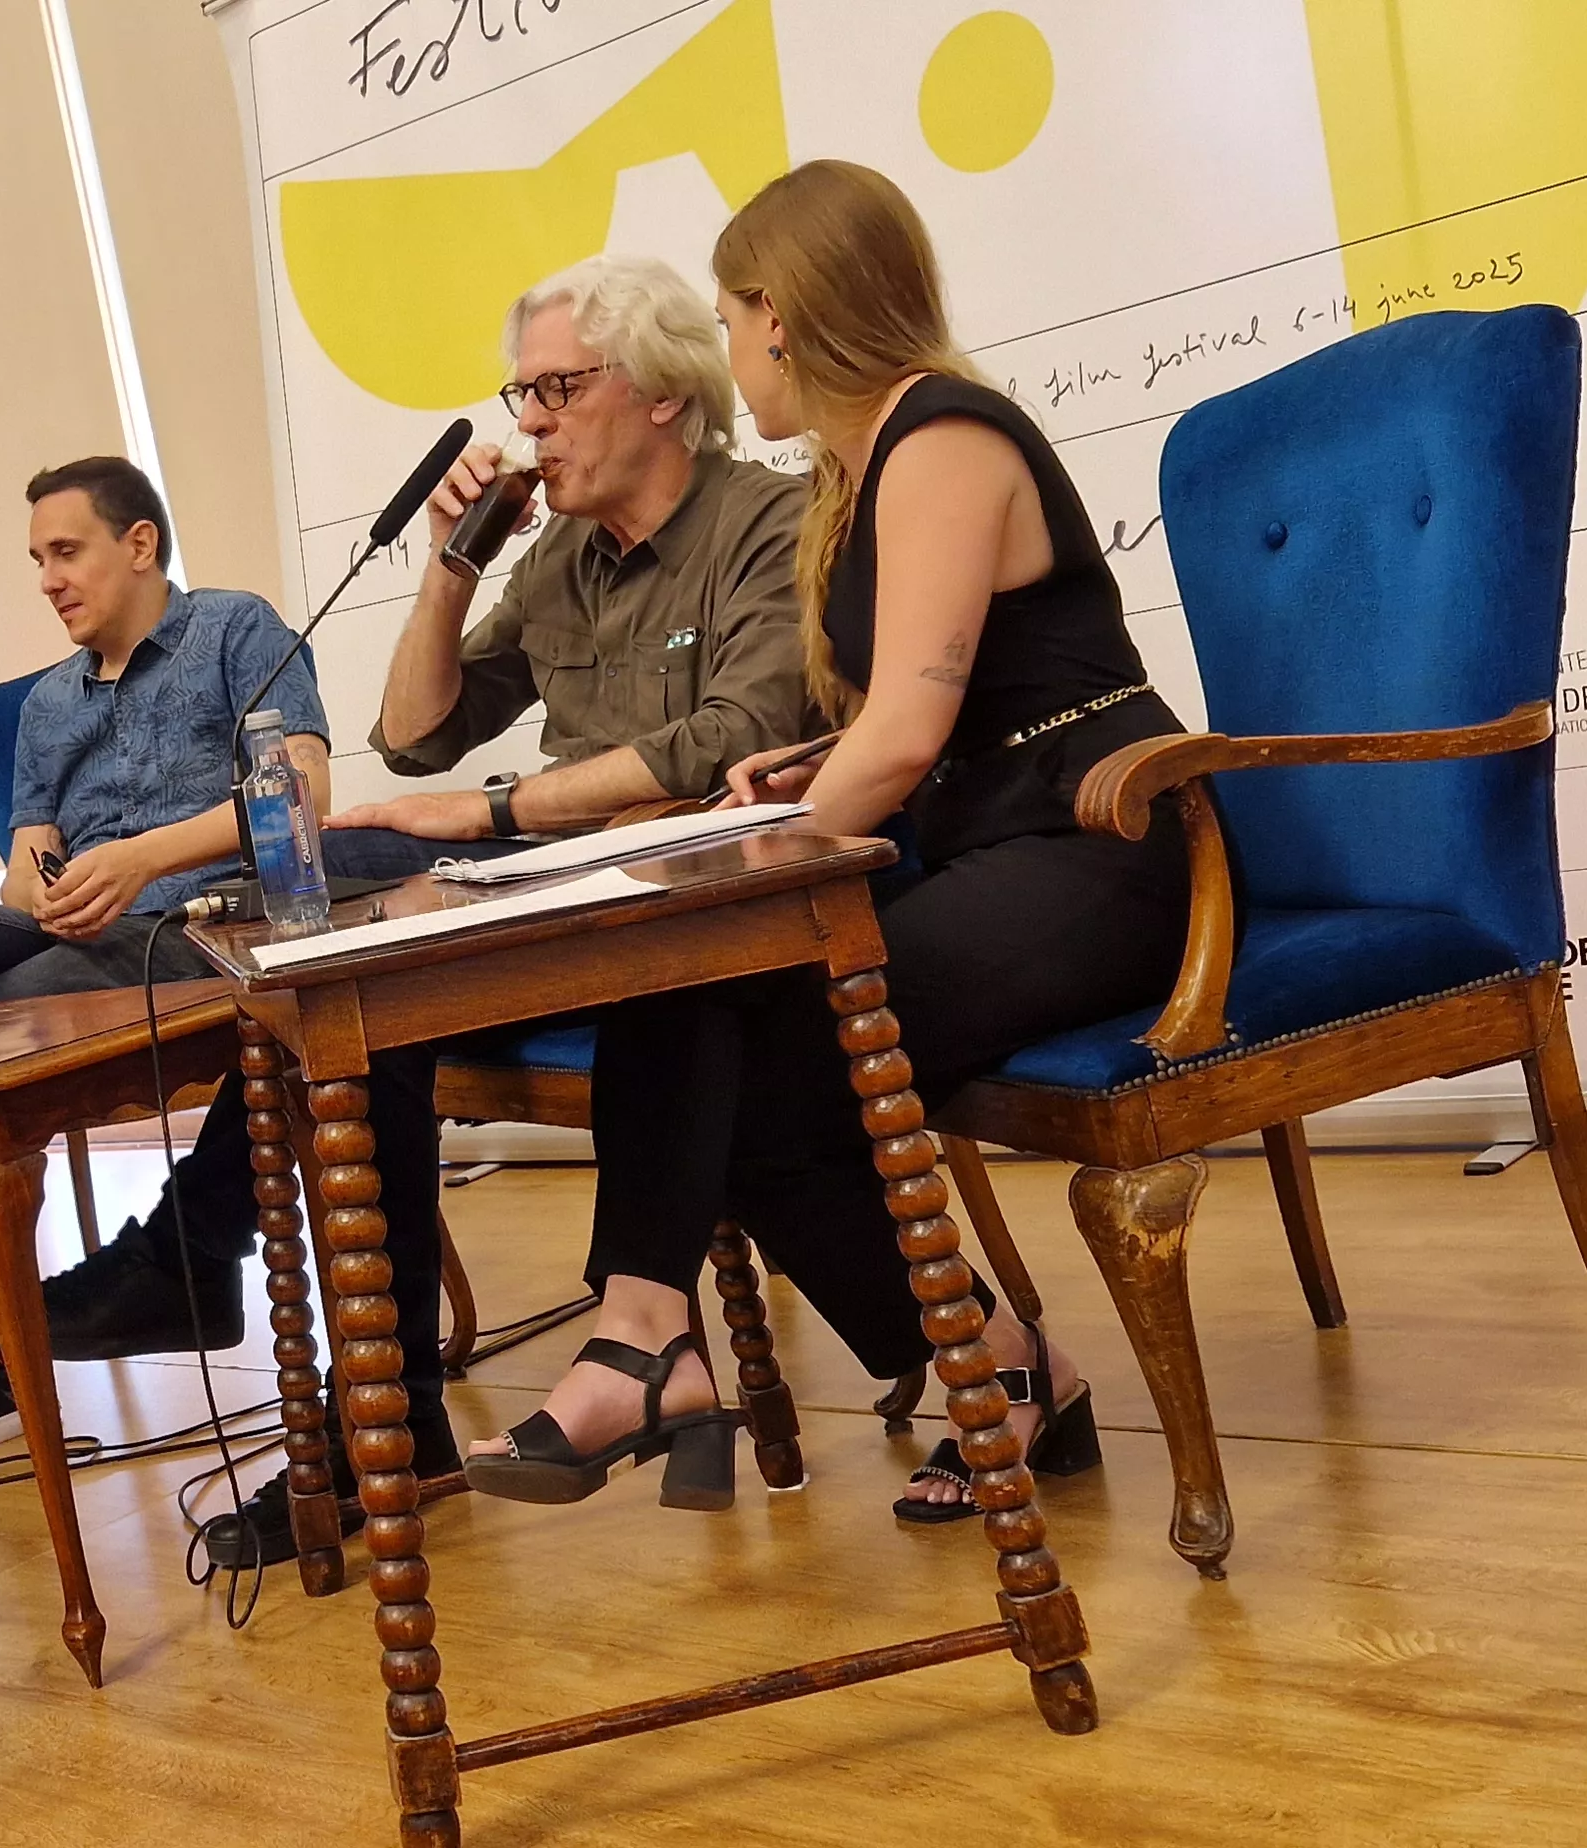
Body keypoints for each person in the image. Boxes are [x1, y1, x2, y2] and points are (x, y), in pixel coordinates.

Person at [464, 160, 1188, 1522]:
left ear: (781, 313)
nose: (732, 358)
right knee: (702, 994)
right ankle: (921, 1366)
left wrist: (747, 856)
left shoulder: (942, 436)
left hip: (1104, 840)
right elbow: (930, 703)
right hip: (992, 835)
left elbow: (912, 736)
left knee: (767, 1055)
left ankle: (681, 1346)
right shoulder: (858, 473)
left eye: (736, 322)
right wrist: (798, 777)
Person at [0, 458, 466, 1572]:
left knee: (0, 1021)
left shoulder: (232, 629)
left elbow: (299, 794)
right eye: (34, 560)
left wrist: (135, 861)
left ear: (138, 544)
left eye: (63, 552)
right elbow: (27, 870)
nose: (46, 580)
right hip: (86, 931)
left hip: (203, 918)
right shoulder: (44, 706)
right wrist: (49, 885)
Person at [328, 253, 813, 854]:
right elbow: (414, 740)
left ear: (664, 392)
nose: (531, 422)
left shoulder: (775, 521)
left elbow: (737, 737)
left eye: (558, 388)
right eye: (522, 394)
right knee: (346, 852)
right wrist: (448, 560)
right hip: (563, 858)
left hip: (700, 859)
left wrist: (496, 809)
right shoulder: (565, 549)